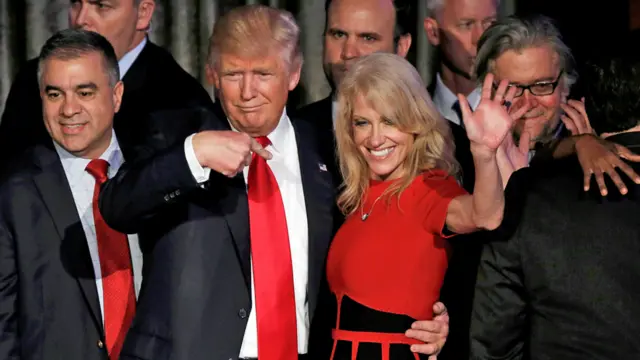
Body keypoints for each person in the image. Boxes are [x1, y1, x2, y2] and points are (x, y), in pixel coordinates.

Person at [95, 6, 448, 360]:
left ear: (293, 74)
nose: (248, 91)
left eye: (263, 73)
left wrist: (425, 316)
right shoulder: (174, 134)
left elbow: (383, 242)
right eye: (233, 74)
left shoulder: (333, 147)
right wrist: (195, 154)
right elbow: (117, 207)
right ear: (212, 74)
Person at [325, 52, 527, 360]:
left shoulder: (429, 189)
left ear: (415, 124)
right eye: (363, 123)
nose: (375, 138)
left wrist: (483, 154)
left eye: (390, 121)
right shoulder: (358, 199)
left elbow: (483, 215)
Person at [469, 53, 640, 360]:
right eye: (514, 89)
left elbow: (494, 339)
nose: (528, 103)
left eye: (543, 85)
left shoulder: (532, 191)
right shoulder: (529, 186)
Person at [0, 29, 142, 360]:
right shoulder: (12, 194)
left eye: (85, 92)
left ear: (117, 95)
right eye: (54, 94)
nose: (68, 110)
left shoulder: (155, 171)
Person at [0, 0, 213, 172]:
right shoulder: (32, 79)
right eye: (76, 3)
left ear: (143, 13)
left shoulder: (183, 100)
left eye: (101, 6)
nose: (81, 19)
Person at [295, 0, 414, 183]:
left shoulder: (443, 143)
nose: (348, 53)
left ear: (402, 47)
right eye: (339, 34)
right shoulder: (292, 135)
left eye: (367, 38)